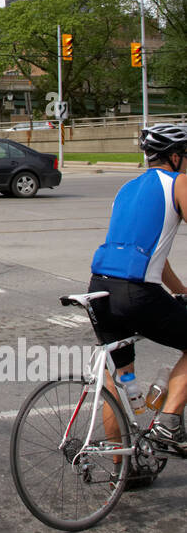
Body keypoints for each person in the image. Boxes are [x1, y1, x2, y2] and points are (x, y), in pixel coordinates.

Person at [89, 124, 187, 454]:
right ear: (175, 157)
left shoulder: (127, 189)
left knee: (118, 377)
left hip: (100, 289)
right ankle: (169, 421)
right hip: (136, 293)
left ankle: (122, 471)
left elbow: (150, 252)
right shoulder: (179, 182)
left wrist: (180, 290)